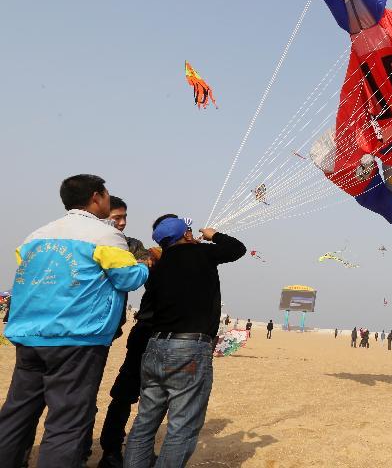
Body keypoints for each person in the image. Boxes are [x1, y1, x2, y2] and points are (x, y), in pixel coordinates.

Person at [0, 175, 148, 467]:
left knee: (18, 414)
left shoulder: (36, 236)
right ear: (96, 197)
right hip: (76, 339)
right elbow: (128, 278)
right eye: (107, 194)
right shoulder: (104, 235)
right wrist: (143, 265)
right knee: (67, 421)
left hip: (29, 337)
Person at [124, 217, 246, 467]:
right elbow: (238, 249)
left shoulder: (158, 264)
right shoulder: (201, 252)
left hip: (156, 346)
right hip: (188, 349)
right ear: (187, 235)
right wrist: (214, 235)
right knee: (182, 426)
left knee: (145, 422)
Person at [96, 213, 171, 468]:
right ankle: (113, 449)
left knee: (142, 396)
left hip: (152, 331)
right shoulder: (154, 257)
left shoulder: (171, 258)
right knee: (131, 393)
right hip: (150, 331)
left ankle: (123, 451)